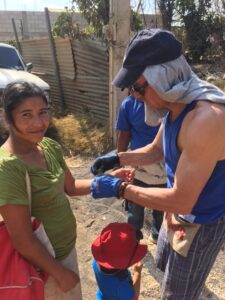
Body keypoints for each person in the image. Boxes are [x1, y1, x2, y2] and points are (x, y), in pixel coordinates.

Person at [90, 28, 225, 299]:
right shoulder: (175, 106)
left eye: (139, 88)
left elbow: (183, 200)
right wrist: (118, 157)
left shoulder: (206, 119)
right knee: (164, 263)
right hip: (175, 210)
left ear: (163, 78)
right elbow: (155, 151)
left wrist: (121, 189)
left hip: (201, 220)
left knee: (178, 294)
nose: (136, 97)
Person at [0, 81, 134, 300]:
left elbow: (70, 187)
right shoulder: (7, 167)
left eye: (43, 112)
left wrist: (104, 181)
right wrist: (60, 273)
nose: (38, 123)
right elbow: (22, 240)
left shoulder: (48, 147)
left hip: (65, 250)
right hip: (42, 266)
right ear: (8, 117)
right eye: (26, 115)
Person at [116, 95, 166, 242]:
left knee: (160, 204)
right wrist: (119, 161)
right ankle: (134, 235)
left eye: (137, 86)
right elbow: (123, 135)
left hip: (163, 166)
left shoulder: (164, 102)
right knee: (135, 204)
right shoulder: (128, 104)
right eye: (131, 87)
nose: (133, 90)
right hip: (138, 166)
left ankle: (157, 234)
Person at [91, 222, 147, 300]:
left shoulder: (95, 262)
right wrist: (137, 272)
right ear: (122, 262)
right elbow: (134, 297)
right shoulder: (121, 286)